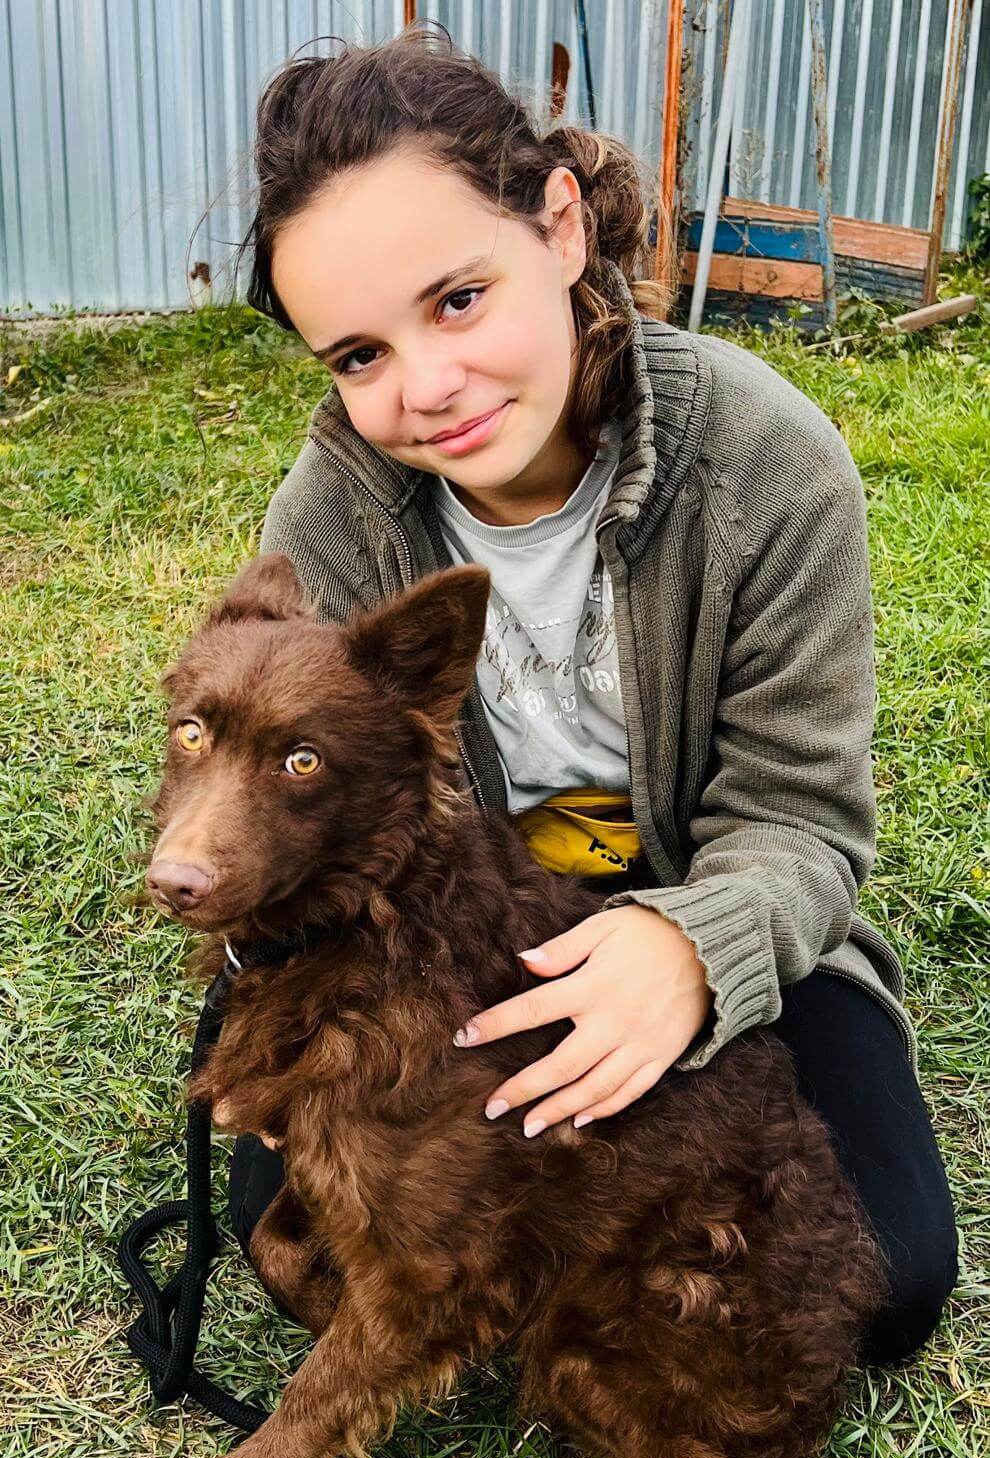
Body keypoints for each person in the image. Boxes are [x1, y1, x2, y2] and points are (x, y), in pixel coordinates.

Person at [227, 23, 957, 1365]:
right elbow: (316, 806)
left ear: (560, 226)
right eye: (359, 356)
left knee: (880, 1279)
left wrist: (689, 952)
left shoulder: (768, 467)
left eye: (458, 300)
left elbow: (799, 823)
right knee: (310, 1232)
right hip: (451, 936)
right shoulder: (331, 519)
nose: (427, 389)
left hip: (714, 906)